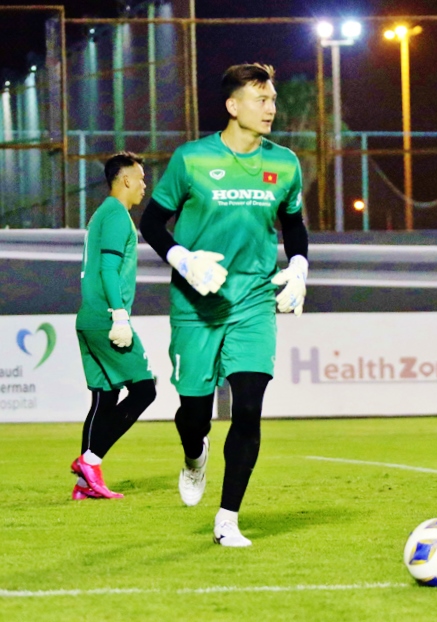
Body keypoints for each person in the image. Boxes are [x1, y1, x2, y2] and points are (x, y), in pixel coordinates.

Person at [140, 63, 308, 547]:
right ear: (233, 106)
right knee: (194, 413)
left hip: (253, 300)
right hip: (196, 304)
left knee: (249, 407)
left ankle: (228, 519)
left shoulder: (285, 164)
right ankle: (195, 455)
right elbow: (152, 222)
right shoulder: (191, 160)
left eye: (272, 99)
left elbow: (293, 223)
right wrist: (182, 258)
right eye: (261, 99)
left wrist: (299, 266)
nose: (271, 108)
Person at [72, 151, 157, 501]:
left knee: (104, 398)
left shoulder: (101, 214)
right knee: (145, 390)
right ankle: (89, 462)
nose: (144, 185)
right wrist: (119, 315)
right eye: (140, 179)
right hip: (107, 318)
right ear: (125, 180)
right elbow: (108, 270)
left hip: (89, 316)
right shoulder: (118, 216)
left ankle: (85, 485)